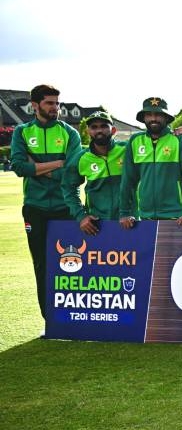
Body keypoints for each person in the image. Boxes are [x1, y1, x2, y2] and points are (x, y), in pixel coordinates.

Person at [11, 84, 82, 322]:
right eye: (50, 103)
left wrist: (38, 167)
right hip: (35, 208)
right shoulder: (21, 132)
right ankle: (50, 321)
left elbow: (72, 174)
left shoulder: (69, 133)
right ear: (35, 105)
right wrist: (57, 163)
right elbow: (20, 168)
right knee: (42, 265)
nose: (56, 108)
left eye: (57, 103)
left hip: (66, 207)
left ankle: (74, 316)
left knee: (72, 263)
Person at [119, 97, 182, 228]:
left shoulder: (181, 142)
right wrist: (124, 212)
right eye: (149, 115)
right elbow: (128, 181)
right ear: (144, 118)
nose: (153, 119)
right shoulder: (135, 141)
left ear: (166, 118)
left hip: (177, 217)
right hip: (145, 217)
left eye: (158, 114)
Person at [62, 111, 126, 235]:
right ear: (88, 131)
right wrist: (81, 216)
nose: (99, 131)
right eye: (94, 127)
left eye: (103, 126)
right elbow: (68, 189)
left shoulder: (127, 150)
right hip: (97, 224)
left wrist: (175, 136)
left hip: (129, 221)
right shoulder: (80, 158)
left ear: (113, 130)